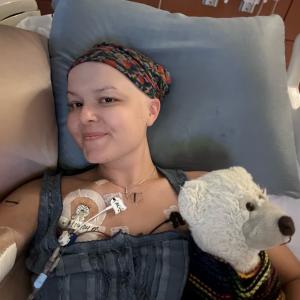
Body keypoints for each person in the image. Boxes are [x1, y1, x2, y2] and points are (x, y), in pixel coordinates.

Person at [0, 42, 299, 299]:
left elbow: (293, 277)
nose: (84, 116)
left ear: (151, 111)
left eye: (107, 99)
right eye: (75, 104)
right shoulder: (42, 196)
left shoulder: (208, 189)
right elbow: (6, 236)